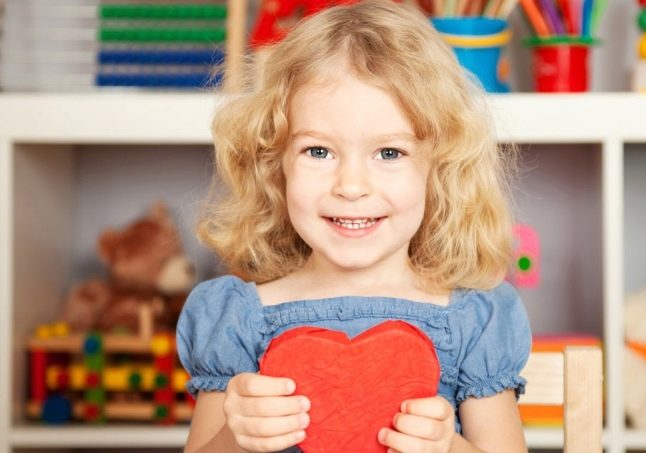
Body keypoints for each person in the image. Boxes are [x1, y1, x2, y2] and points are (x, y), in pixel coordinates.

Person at [177, 1, 531, 452]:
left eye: (389, 153)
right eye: (318, 151)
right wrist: (236, 436)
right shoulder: (235, 319)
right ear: (275, 164)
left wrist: (449, 447)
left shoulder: (474, 321)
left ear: (438, 169)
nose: (351, 186)